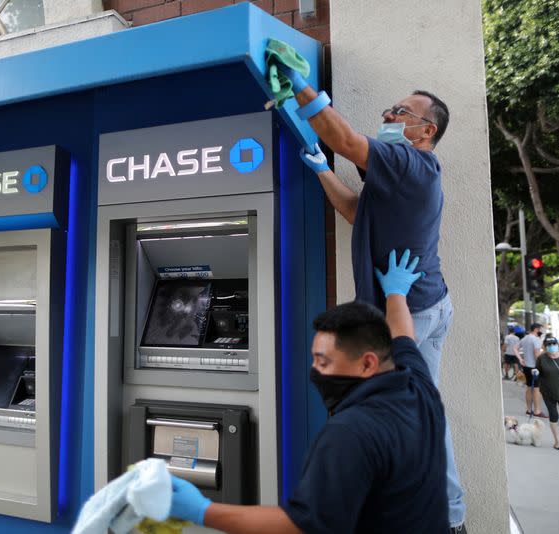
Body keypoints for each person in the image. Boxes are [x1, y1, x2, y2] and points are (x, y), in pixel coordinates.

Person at [282, 69, 465, 530]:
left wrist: (299, 85)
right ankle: (451, 516)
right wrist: (323, 171)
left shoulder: (411, 163)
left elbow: (342, 137)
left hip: (410, 310)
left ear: (428, 131)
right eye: (390, 108)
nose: (388, 114)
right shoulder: (402, 176)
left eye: (401, 112)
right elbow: (355, 211)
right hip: (428, 302)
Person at [168, 249, 450, 533]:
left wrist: (202, 511)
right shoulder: (418, 388)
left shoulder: (351, 431)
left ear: (367, 363)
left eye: (324, 361)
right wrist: (396, 293)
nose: (315, 371)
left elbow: (300, 525)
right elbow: (403, 335)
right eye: (315, 358)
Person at [535, 336, 559, 450]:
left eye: (553, 344)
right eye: (548, 345)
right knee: (554, 415)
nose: (551, 346)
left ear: (557, 345)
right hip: (548, 391)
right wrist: (535, 372)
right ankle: (557, 441)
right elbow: (538, 370)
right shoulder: (541, 358)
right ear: (545, 347)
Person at [519, 323, 545, 417]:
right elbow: (536, 353)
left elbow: (515, 348)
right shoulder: (536, 339)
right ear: (536, 329)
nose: (541, 331)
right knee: (537, 389)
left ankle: (529, 410)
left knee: (529, 387)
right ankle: (537, 411)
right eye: (540, 329)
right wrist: (541, 365)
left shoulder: (525, 338)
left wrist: (520, 359)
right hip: (534, 367)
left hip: (526, 366)